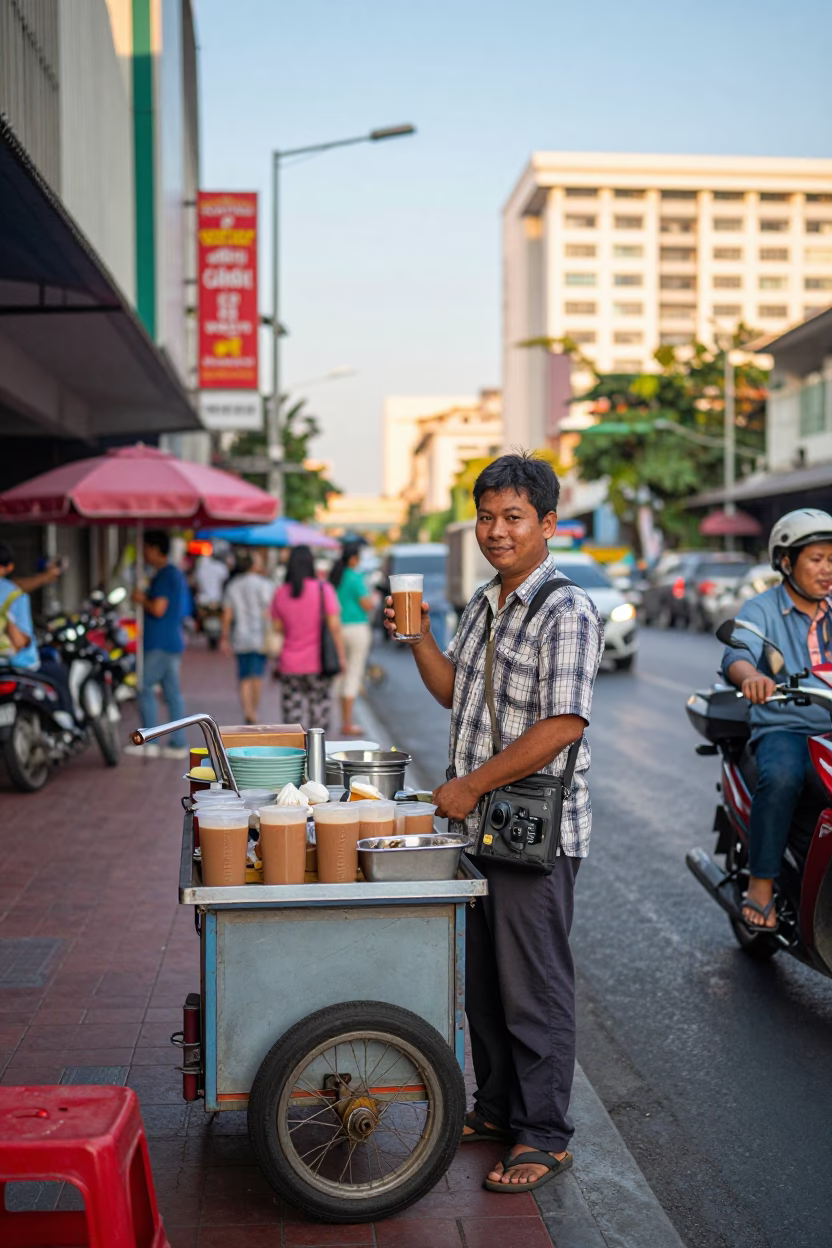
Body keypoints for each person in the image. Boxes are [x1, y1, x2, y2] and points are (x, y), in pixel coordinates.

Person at [384, 453, 603, 1193]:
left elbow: (563, 724)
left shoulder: (565, 608)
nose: (497, 531)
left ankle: (545, 1133)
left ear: (548, 525)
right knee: (483, 983)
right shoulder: (484, 602)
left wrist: (470, 784)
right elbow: (458, 696)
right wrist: (418, 641)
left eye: (514, 518)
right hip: (479, 824)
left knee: (533, 986)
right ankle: (499, 1108)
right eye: (487, 517)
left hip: (532, 829)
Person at [723, 508, 832, 930]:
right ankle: (762, 884)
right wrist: (750, 676)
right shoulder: (763, 608)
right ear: (786, 562)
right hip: (785, 726)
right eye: (817, 559)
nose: (827, 570)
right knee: (783, 776)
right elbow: (738, 650)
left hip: (829, 731)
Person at [127, 530, 189, 759]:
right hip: (171, 641)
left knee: (144, 687)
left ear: (154, 549)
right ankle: (177, 743)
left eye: (146, 548)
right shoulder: (172, 573)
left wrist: (141, 598)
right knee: (172, 693)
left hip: (160, 643)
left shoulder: (164, 575)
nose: (144, 553)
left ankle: (149, 740)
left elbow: (158, 608)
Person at [271, 545, 345, 734]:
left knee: (292, 723)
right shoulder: (323, 589)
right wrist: (342, 658)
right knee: (319, 721)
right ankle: (316, 761)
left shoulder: (281, 592)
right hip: (318, 664)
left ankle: (295, 760)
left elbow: (278, 628)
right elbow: (334, 627)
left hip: (289, 664)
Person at [221, 550, 274, 724]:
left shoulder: (233, 585)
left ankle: (247, 710)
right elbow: (269, 612)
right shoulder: (265, 584)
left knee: (243, 676)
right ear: (254, 564)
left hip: (240, 636)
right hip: (260, 636)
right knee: (257, 675)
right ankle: (254, 711)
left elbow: (227, 614)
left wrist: (224, 638)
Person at [330, 541, 375, 736]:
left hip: (338, 629)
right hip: (356, 629)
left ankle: (343, 719)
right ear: (354, 558)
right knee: (354, 674)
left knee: (341, 674)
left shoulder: (336, 578)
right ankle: (348, 722)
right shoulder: (356, 577)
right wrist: (374, 599)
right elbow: (367, 605)